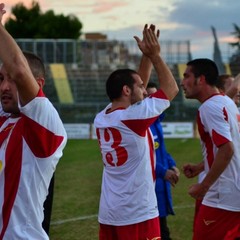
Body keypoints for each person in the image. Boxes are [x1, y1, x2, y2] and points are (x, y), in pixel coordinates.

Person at [94, 24, 179, 240]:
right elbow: (171, 89)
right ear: (126, 90)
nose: (144, 89)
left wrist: (146, 57)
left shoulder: (103, 116)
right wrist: (156, 56)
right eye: (141, 86)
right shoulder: (133, 119)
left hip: (110, 212)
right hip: (136, 214)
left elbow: (134, 88)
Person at [0, 3, 67, 239]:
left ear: (37, 85)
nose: (4, 87)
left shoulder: (44, 123)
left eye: (12, 80)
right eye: (0, 79)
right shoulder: (5, 119)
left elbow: (19, 69)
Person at [181, 58, 240, 240]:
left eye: (187, 76)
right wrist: (201, 167)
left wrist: (203, 186)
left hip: (223, 195)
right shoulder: (225, 102)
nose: (182, 82)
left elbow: (227, 149)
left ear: (201, 79)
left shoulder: (210, 107)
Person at [146, 82, 179, 240]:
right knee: (157, 230)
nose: (155, 100)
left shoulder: (156, 121)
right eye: (150, 96)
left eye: (155, 96)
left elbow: (162, 151)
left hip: (161, 183)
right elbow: (145, 158)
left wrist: (171, 164)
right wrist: (163, 171)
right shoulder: (144, 125)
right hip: (151, 185)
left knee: (162, 227)